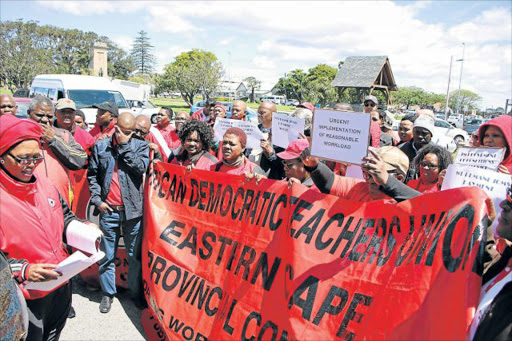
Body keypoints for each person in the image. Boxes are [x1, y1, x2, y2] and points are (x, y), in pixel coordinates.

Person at [0, 114, 89, 340]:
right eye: (23, 159)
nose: (31, 165)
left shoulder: (44, 184)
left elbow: (65, 217)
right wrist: (24, 270)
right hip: (23, 296)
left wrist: (84, 229)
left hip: (59, 286)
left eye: (36, 158)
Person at [88, 112, 149, 313]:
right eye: (123, 131)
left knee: (133, 255)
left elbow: (140, 168)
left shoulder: (140, 146)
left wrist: (124, 146)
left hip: (133, 212)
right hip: (109, 211)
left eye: (130, 132)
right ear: (115, 127)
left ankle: (135, 293)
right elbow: (93, 176)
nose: (127, 135)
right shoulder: (101, 146)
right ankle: (107, 294)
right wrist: (97, 201)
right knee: (107, 255)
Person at [28, 95, 88, 205]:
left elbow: (80, 160)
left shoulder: (64, 135)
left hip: (59, 202)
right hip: (31, 200)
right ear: (29, 113)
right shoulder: (21, 135)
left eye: (49, 116)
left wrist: (53, 140)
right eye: (40, 115)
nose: (45, 120)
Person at [301, 146, 413, 203]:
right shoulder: (360, 188)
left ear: (399, 178)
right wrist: (314, 166)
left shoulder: (407, 202)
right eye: (367, 173)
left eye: (377, 174)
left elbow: (425, 207)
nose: (370, 180)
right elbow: (329, 182)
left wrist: (387, 181)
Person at [472, 185, 512, 340]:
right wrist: (486, 227)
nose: (502, 205)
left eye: (511, 202)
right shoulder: (504, 263)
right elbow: (488, 257)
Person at [257, 101, 286, 180]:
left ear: (273, 115)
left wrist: (270, 153)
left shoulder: (281, 134)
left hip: (269, 179)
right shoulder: (254, 130)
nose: (259, 115)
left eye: (262, 112)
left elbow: (283, 164)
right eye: (258, 112)